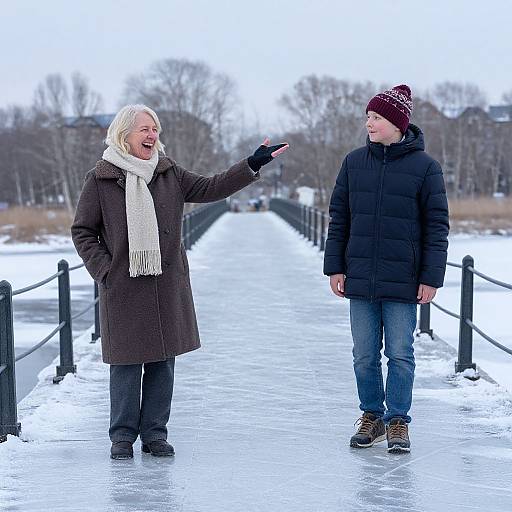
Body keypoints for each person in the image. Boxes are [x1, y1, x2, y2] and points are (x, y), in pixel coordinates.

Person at [71, 104, 288, 460]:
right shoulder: (101, 178)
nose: (152, 135)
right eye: (144, 129)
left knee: (162, 362)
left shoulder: (168, 172)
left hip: (165, 282)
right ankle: (122, 437)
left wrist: (252, 163)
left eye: (155, 129)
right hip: (124, 286)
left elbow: (213, 186)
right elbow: (82, 231)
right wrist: (105, 270)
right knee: (126, 364)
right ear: (123, 133)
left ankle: (155, 434)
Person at [323, 85, 449, 453]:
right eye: (368, 116)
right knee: (363, 355)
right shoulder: (353, 163)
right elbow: (339, 217)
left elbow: (436, 225)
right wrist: (335, 267)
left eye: (376, 117)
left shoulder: (426, 168)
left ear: (397, 122)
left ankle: (397, 421)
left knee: (400, 354)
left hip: (404, 280)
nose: (369, 123)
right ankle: (372, 417)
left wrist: (430, 277)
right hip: (359, 277)